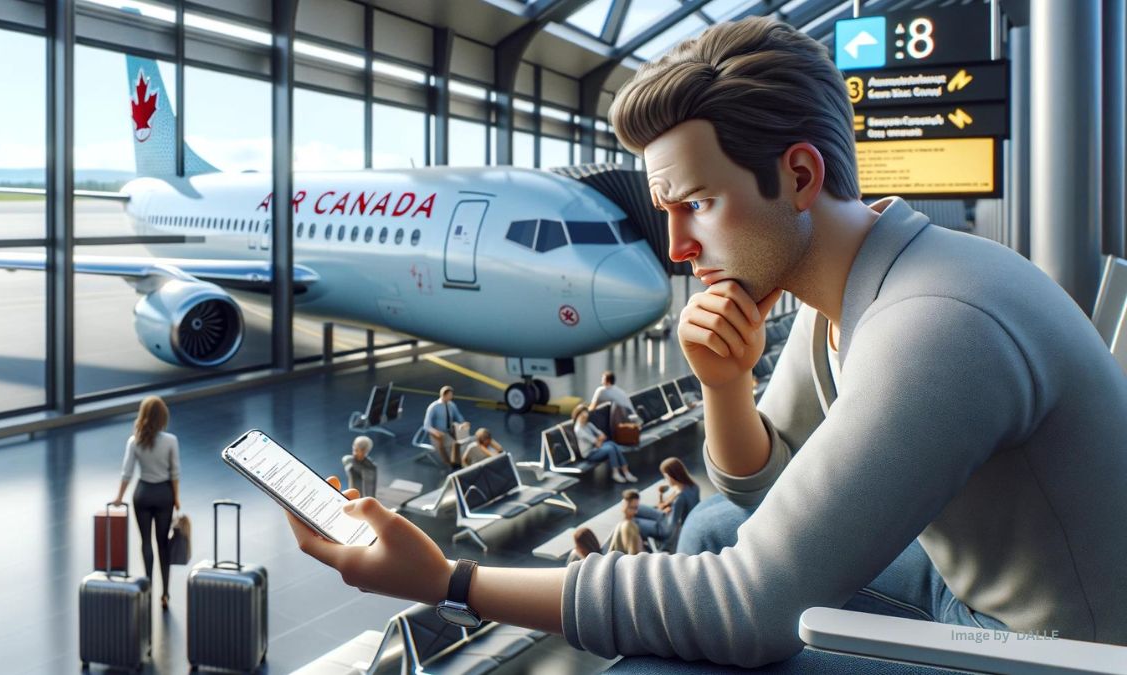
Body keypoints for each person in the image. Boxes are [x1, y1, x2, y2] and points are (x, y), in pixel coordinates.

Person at [282, 15, 1127, 670]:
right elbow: (765, 489)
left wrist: (449, 581)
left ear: (798, 176)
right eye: (669, 212)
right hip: (969, 587)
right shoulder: (855, 279)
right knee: (713, 524)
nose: (680, 247)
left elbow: (748, 608)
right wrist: (725, 387)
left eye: (698, 205)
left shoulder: (938, 324)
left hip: (1046, 655)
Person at [113, 395, 181, 612]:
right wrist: (176, 498)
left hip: (142, 494)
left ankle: (148, 585)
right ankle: (165, 593)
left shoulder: (134, 441)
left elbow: (127, 473)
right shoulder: (171, 441)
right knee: (163, 544)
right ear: (163, 417)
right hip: (164, 495)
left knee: (145, 542)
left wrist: (119, 498)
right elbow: (175, 473)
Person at [634, 457, 701, 548]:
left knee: (634, 521)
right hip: (670, 516)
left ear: (672, 475)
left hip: (666, 526)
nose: (665, 479)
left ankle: (644, 544)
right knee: (636, 508)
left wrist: (665, 545)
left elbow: (670, 527)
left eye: (665, 476)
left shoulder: (680, 498)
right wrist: (661, 497)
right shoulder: (693, 486)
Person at [571, 404, 637, 483]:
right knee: (610, 449)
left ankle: (626, 472)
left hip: (596, 448)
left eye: (585, 415)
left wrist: (599, 439)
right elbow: (596, 442)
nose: (584, 418)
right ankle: (615, 473)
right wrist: (599, 439)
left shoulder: (588, 424)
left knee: (612, 444)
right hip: (589, 454)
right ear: (577, 416)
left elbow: (602, 436)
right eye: (582, 416)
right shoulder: (579, 430)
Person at [422, 386, 467, 467]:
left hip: (450, 431)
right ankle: (453, 463)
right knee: (454, 446)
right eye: (450, 395)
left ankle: (459, 459)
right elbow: (426, 425)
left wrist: (463, 423)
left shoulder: (451, 405)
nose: (452, 397)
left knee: (463, 442)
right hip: (440, 433)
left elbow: (458, 416)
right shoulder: (433, 407)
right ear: (444, 395)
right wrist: (436, 432)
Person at [606, 490, 646, 555]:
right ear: (624, 505)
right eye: (632, 508)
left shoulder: (624, 524)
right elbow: (635, 553)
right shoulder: (628, 526)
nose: (635, 512)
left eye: (636, 508)